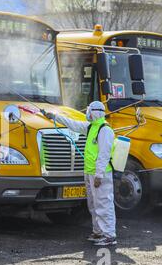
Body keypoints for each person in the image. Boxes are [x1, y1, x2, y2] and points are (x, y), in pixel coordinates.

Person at [44, 101, 117, 246]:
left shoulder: (105, 130)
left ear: (95, 112)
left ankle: (109, 235)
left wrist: (99, 175)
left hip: (99, 175)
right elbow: (72, 124)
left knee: (104, 203)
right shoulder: (91, 127)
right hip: (90, 172)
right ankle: (98, 232)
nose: (87, 113)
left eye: (89, 111)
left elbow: (104, 154)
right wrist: (54, 117)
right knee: (93, 204)